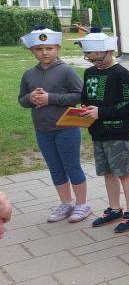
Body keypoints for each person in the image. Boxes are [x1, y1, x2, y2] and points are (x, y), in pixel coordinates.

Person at [18, 27, 89, 224]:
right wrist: (30, 98)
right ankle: (66, 203)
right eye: (39, 49)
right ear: (32, 50)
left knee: (72, 166)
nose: (44, 53)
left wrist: (51, 98)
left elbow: (80, 95)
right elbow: (21, 100)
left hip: (66, 129)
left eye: (49, 48)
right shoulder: (28, 74)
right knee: (55, 168)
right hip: (43, 131)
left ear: (58, 48)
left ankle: (82, 204)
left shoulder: (66, 71)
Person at [78, 30, 129, 233]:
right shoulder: (89, 72)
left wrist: (100, 112)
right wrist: (83, 110)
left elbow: (127, 104)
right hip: (97, 132)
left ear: (109, 51)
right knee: (107, 172)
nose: (95, 61)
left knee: (123, 173)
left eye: (99, 57)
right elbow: (86, 97)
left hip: (117, 132)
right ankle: (114, 209)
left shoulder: (121, 73)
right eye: (90, 57)